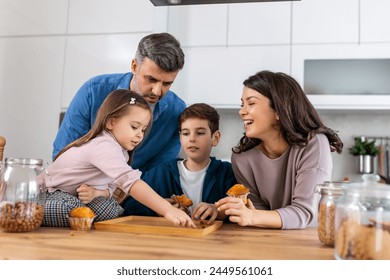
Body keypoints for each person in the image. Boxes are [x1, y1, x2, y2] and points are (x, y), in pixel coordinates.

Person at [41, 89, 194, 228]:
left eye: (143, 129)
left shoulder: (121, 152)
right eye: (134, 127)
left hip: (78, 198)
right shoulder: (103, 146)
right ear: (110, 122)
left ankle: (80, 217)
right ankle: (37, 210)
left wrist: (96, 193)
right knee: (69, 208)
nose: (140, 135)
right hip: (49, 194)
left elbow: (112, 190)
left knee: (109, 208)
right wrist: (167, 210)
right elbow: (130, 182)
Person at [216, 70, 343, 230]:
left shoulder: (314, 144)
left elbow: (303, 212)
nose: (241, 111)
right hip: (269, 240)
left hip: (309, 242)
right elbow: (257, 212)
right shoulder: (242, 158)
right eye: (242, 104)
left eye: (251, 103)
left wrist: (252, 216)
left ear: (278, 110)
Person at [53, 32, 186, 172]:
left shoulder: (177, 111)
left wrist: (122, 191)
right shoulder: (92, 92)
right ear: (134, 66)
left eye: (167, 83)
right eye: (151, 79)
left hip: (138, 190)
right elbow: (63, 156)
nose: (157, 91)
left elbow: (160, 174)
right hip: (84, 187)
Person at [122, 103, 237, 223]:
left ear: (215, 138)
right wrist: (158, 207)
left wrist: (217, 210)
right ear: (180, 138)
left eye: (200, 133)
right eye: (186, 133)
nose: (192, 139)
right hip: (172, 238)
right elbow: (129, 204)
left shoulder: (227, 173)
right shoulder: (162, 172)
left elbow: (242, 205)